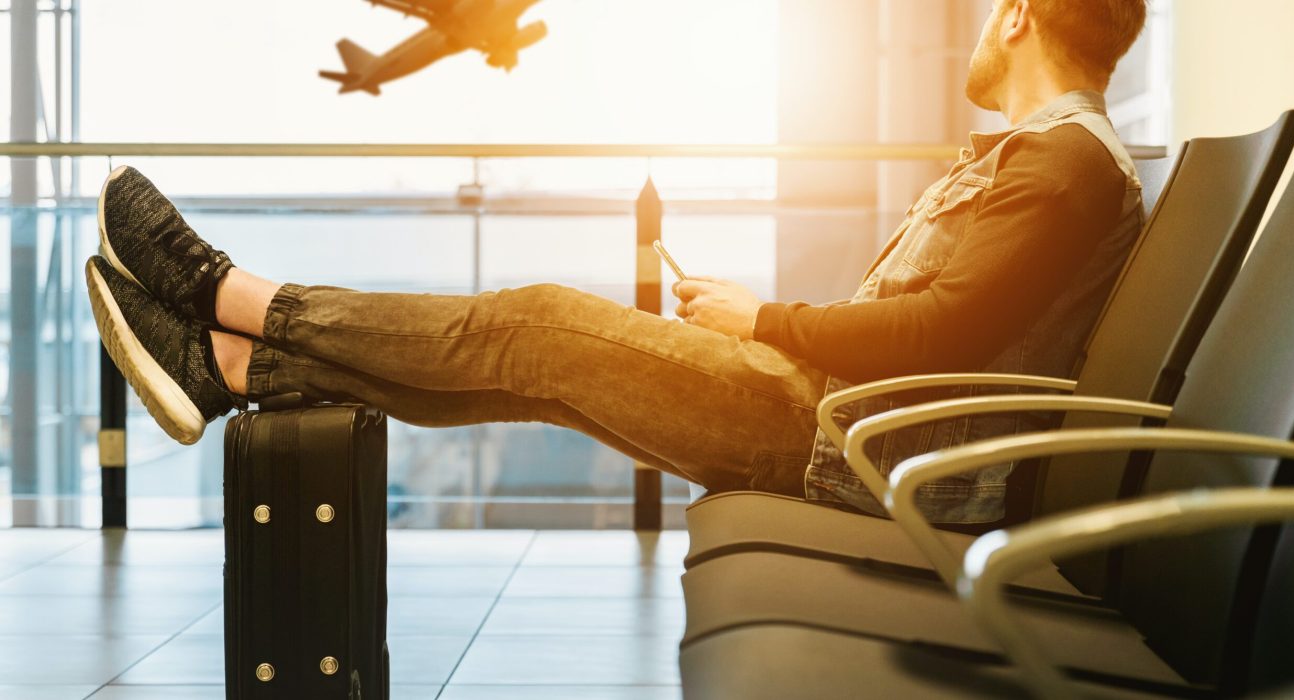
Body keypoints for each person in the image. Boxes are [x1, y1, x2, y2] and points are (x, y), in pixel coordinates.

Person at [87, 0, 1147, 525]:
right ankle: (229, 370)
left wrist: (760, 320)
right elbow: (934, 322)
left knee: (530, 323)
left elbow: (936, 337)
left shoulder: (1060, 166)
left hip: (844, 445)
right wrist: (760, 324)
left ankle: (223, 295)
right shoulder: (1050, 162)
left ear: (1015, 15)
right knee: (530, 371)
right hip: (840, 424)